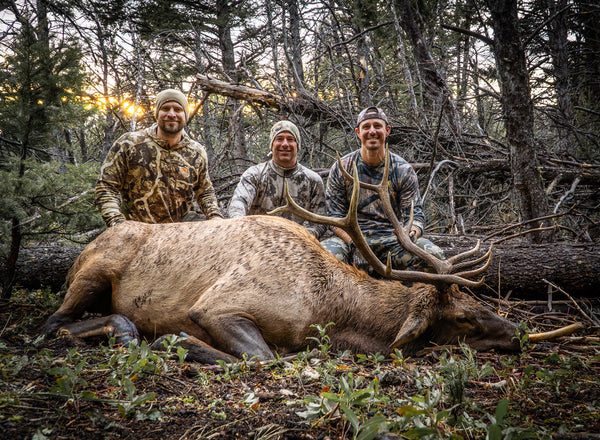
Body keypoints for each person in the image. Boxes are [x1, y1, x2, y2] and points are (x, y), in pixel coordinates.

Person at [321, 106, 444, 272]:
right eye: (366, 127)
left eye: (377, 126)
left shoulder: (403, 169)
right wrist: (353, 244)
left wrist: (410, 233)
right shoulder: (342, 167)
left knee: (436, 258)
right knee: (321, 261)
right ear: (358, 132)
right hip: (352, 240)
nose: (372, 131)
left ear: (387, 131)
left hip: (393, 240)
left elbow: (416, 217)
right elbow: (334, 218)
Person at [95, 89, 223, 227]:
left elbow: (205, 192)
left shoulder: (196, 152)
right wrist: (117, 223)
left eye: (178, 109)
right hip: (139, 229)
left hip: (182, 230)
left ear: (185, 114)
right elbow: (106, 187)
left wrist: (215, 216)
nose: (171, 114)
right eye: (165, 108)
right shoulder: (129, 144)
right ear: (157, 113)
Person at [228, 120, 327, 239]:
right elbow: (238, 204)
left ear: (297, 145)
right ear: (272, 144)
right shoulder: (254, 175)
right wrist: (241, 227)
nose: (285, 144)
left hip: (294, 243)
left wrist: (298, 237)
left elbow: (320, 224)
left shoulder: (313, 181)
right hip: (255, 239)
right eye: (279, 139)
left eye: (290, 139)